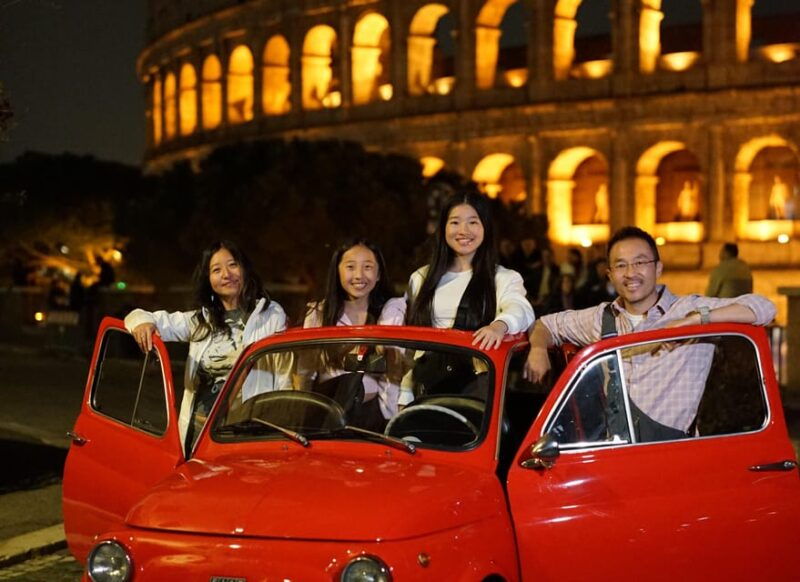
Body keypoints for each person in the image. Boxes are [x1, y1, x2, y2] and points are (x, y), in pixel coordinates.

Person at [525, 226, 775, 441]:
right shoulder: (601, 318)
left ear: (658, 269)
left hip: (670, 455)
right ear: (610, 275)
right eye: (621, 265)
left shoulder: (686, 309)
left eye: (640, 262)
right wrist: (538, 349)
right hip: (613, 453)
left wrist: (697, 321)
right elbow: (546, 324)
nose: (631, 273)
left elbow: (764, 308)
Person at [125, 240, 287, 451]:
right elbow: (140, 316)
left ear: (245, 269)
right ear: (208, 279)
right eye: (216, 269)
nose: (226, 274)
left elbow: (284, 374)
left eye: (233, 265)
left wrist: (281, 432)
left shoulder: (271, 314)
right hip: (199, 432)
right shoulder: (200, 321)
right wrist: (141, 322)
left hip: (247, 432)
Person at [403, 185, 535, 405]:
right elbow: (411, 347)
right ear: (443, 228)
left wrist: (498, 326)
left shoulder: (503, 278)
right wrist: (405, 393)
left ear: (486, 228)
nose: (463, 231)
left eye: (473, 222)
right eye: (454, 222)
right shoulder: (421, 278)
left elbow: (521, 309)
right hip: (425, 390)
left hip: (475, 393)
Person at [302, 238, 405, 427]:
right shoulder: (318, 315)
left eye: (367, 267)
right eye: (350, 267)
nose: (359, 275)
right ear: (337, 271)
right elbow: (304, 373)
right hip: (327, 416)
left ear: (379, 273)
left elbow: (395, 365)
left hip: (378, 416)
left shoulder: (391, 312)